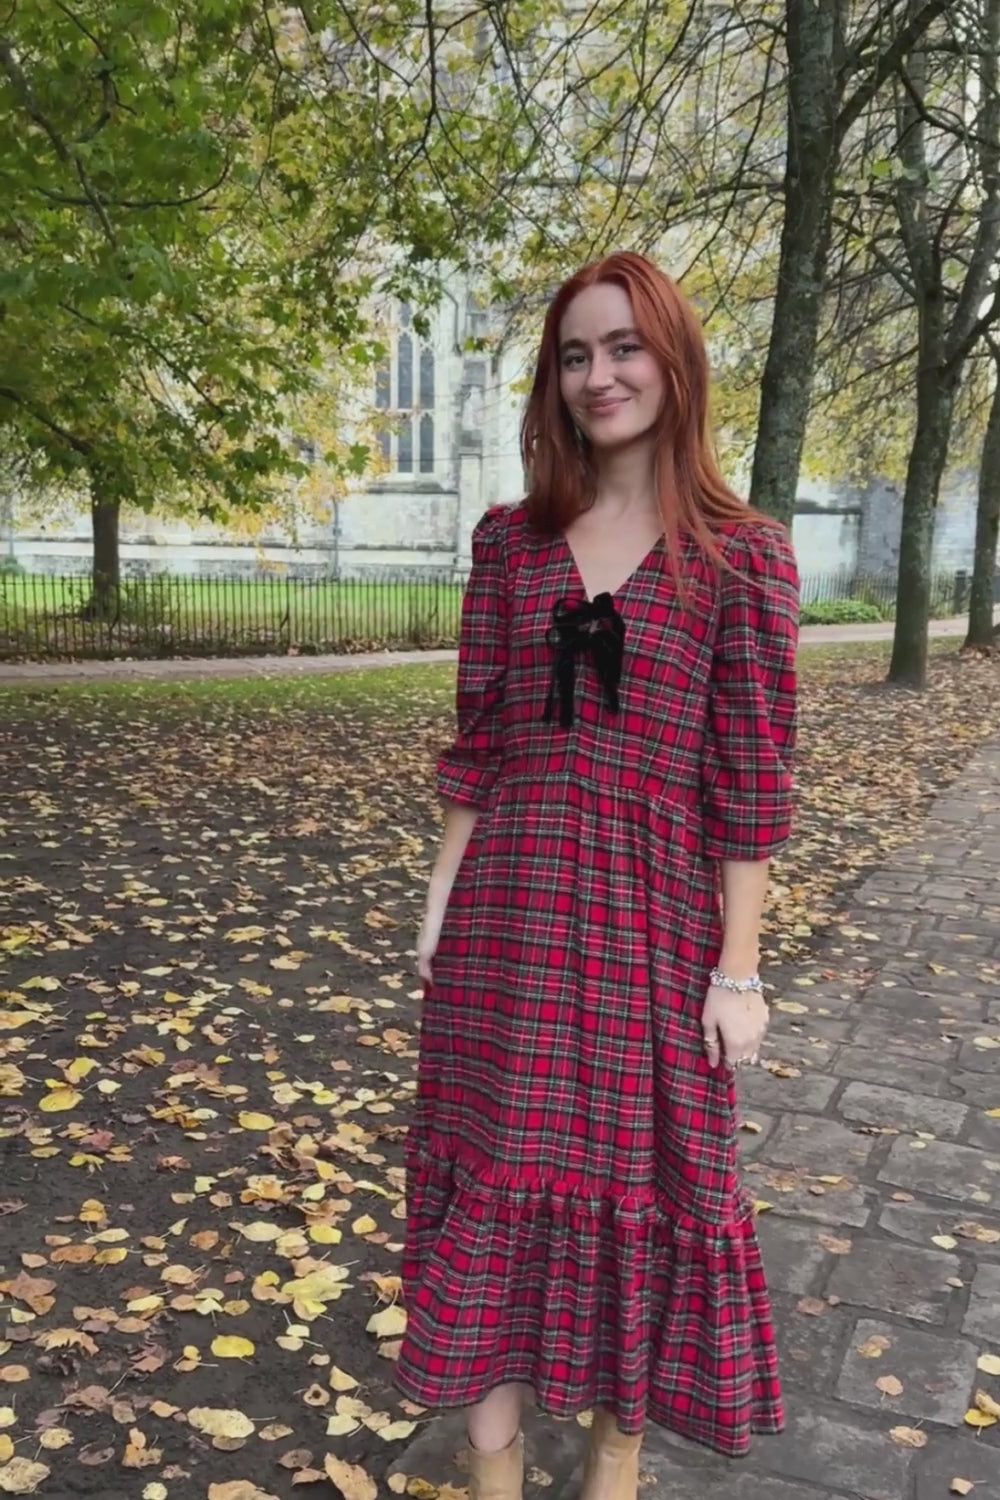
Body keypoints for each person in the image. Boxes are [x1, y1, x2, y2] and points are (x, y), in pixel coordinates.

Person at [396, 251, 799, 1500]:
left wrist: (737, 969)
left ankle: (615, 1464)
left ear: (672, 361)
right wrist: (437, 902)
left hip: (652, 928)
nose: (598, 375)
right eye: (574, 354)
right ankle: (496, 1470)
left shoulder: (742, 558)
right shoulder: (510, 547)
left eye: (623, 347)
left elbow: (749, 786)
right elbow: (482, 742)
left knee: (653, 1182)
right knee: (493, 1185)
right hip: (506, 920)